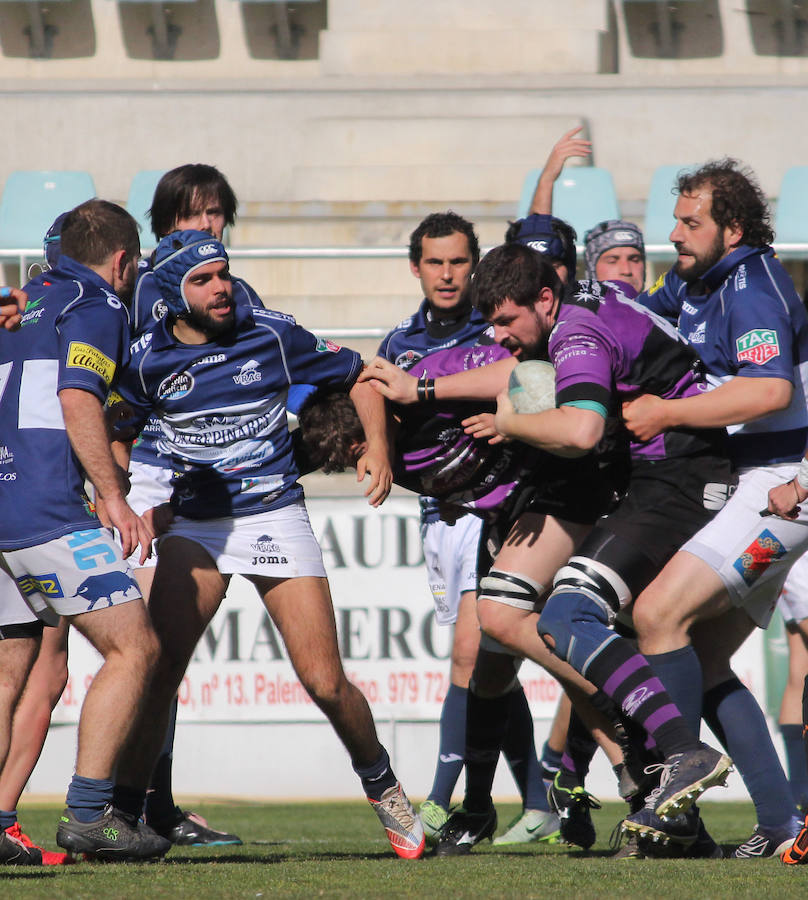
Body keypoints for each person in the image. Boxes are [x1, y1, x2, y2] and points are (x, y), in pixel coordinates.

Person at [364, 243, 736, 856]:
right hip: (641, 474)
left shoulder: (577, 335)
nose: (499, 334)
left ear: (543, 298)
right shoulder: (566, 316)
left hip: (675, 473)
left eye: (507, 320)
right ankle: (642, 768)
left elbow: (582, 428)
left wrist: (508, 423)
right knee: (509, 616)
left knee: (571, 616)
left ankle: (670, 758)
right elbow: (514, 375)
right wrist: (422, 389)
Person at [109, 229, 424, 860]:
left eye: (223, 272)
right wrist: (118, 496)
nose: (221, 286)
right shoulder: (144, 359)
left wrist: (380, 452)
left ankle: (387, 792)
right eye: (203, 280)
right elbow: (113, 429)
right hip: (198, 526)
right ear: (173, 294)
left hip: (275, 516)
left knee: (324, 681)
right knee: (159, 671)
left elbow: (362, 375)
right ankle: (120, 814)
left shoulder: (273, 333)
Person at [624, 158, 808, 857]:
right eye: (675, 219)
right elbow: (638, 312)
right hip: (757, 485)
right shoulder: (698, 282)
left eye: (690, 221)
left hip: (785, 490)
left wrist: (668, 411)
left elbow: (769, 393)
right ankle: (779, 824)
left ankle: (679, 774)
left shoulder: (753, 287)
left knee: (656, 616)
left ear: (732, 228)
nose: (674, 233)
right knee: (699, 657)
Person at [0, 199, 171, 864]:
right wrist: (113, 496)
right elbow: (78, 398)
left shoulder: (18, 303)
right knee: (135, 649)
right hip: (46, 508)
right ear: (124, 261)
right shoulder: (94, 304)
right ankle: (89, 813)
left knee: (10, 669)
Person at [378, 211, 557, 847]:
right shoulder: (399, 344)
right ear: (416, 267)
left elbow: (534, 394)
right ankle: (533, 802)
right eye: (435, 262)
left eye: (459, 261)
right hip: (440, 517)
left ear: (475, 265)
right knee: (491, 670)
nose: (448, 274)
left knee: (472, 657)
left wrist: (501, 418)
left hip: (505, 512)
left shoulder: (501, 329)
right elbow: (383, 419)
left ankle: (442, 802)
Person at [524, 125, 647, 293]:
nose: (626, 270)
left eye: (634, 259)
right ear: (592, 267)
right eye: (612, 260)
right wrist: (547, 180)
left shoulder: (659, 309)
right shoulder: (575, 311)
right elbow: (538, 241)